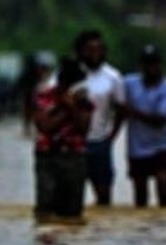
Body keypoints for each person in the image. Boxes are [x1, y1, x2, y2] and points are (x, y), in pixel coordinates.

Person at [32, 56, 94, 223]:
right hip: (47, 156)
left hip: (74, 156)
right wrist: (65, 107)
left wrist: (73, 106)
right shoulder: (44, 97)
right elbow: (45, 126)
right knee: (45, 207)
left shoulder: (84, 102)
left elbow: (83, 129)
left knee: (72, 211)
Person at [74, 29, 126, 206]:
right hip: (74, 142)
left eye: (99, 50)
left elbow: (122, 109)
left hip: (100, 141)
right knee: (72, 197)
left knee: (104, 196)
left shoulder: (113, 77)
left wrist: (111, 136)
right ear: (81, 51)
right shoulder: (70, 73)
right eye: (90, 50)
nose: (95, 54)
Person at [123, 44, 166, 207]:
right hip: (136, 147)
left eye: (154, 63)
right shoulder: (129, 83)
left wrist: (132, 111)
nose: (151, 67)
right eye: (147, 63)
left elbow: (161, 120)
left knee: (163, 191)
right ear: (141, 65)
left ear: (160, 64)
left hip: (160, 146)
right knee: (140, 198)